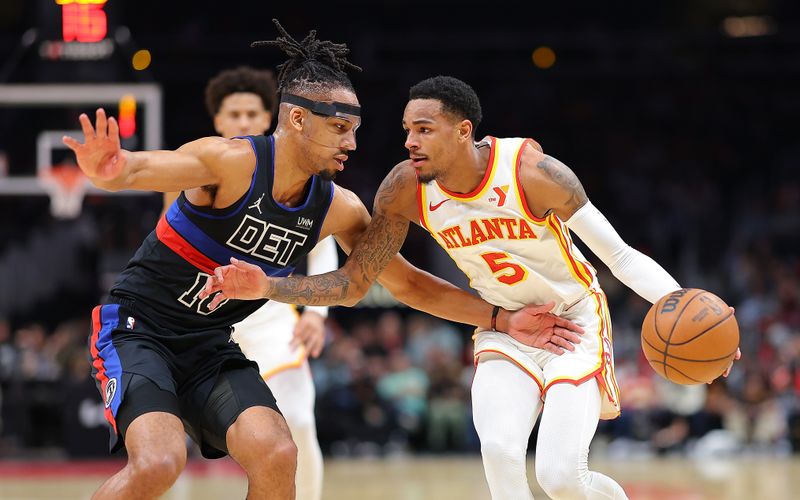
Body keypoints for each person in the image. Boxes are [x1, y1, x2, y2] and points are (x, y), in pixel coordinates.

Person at [63, 21, 584, 500]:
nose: (352, 144)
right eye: (340, 128)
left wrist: (500, 319)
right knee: (158, 462)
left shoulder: (338, 208)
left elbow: (406, 286)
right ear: (297, 119)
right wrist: (109, 167)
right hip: (139, 329)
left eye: (354, 130)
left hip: (208, 345)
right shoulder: (231, 162)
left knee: (277, 453)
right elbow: (135, 170)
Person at [203, 75, 741, 500]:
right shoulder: (404, 190)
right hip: (504, 325)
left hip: (573, 321)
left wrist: (684, 306)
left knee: (560, 477)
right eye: (406, 130)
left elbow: (619, 255)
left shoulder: (534, 172)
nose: (410, 141)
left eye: (424, 129)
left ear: (463, 131)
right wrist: (269, 285)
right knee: (503, 457)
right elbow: (354, 282)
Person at [160, 65, 336, 500]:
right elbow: (167, 250)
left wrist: (317, 312)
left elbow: (324, 240)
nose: (242, 122)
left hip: (270, 314)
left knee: (298, 419)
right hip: (205, 316)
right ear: (218, 121)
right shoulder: (195, 167)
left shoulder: (299, 172)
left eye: (251, 114)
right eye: (232, 114)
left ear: (268, 119)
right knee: (174, 431)